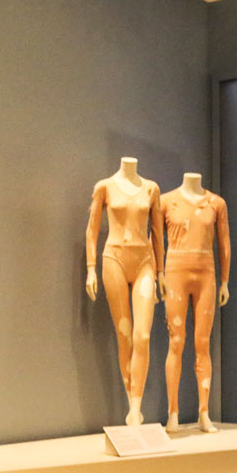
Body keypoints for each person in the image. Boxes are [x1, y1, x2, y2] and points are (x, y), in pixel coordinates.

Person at [85, 157, 165, 426]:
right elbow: (92, 229)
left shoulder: (152, 189)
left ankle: (136, 406)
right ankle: (133, 407)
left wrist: (161, 273)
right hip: (114, 259)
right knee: (124, 334)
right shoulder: (105, 187)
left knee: (142, 335)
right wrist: (90, 267)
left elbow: (157, 233)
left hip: (143, 261)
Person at [160, 172, 230, 433]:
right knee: (176, 342)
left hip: (206, 275)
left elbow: (223, 242)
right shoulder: (167, 202)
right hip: (175, 273)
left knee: (202, 343)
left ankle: (204, 412)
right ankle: (173, 413)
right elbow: (157, 240)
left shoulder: (216, 203)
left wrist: (224, 280)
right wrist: (159, 274)